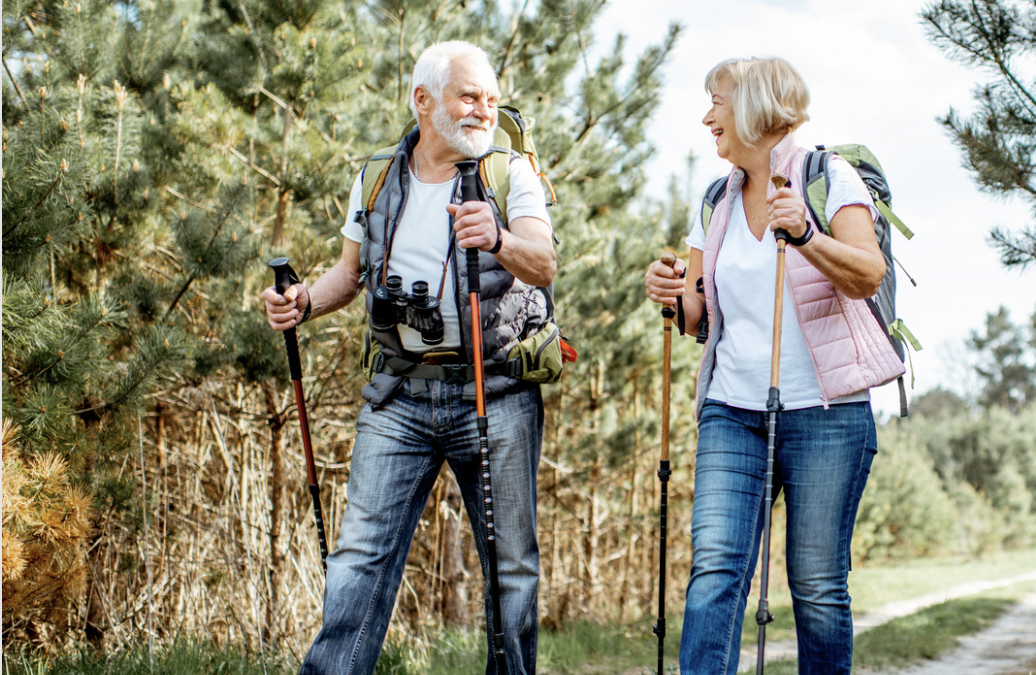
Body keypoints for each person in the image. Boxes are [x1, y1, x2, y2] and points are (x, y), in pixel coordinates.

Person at [263, 41, 556, 675]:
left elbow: (544, 261)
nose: (484, 110)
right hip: (398, 394)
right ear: (423, 101)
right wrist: (304, 303)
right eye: (469, 96)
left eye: (490, 98)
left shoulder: (511, 174)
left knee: (511, 567)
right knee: (359, 558)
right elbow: (350, 274)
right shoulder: (373, 177)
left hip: (496, 390)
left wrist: (499, 237)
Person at [644, 56, 904, 675]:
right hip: (731, 409)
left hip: (826, 414)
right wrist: (674, 293)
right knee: (715, 571)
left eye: (719, 102)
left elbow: (869, 275)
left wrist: (808, 237)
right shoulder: (717, 199)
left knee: (815, 586)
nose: (708, 117)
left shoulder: (828, 177)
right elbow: (701, 318)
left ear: (757, 107)